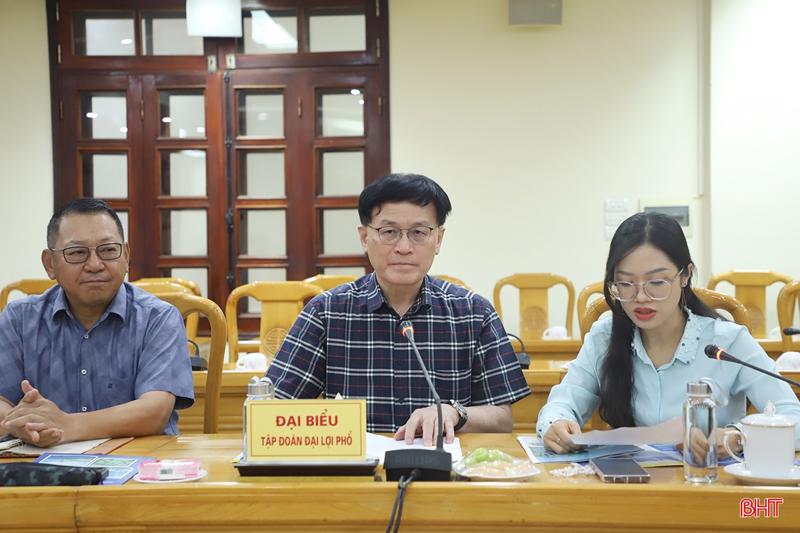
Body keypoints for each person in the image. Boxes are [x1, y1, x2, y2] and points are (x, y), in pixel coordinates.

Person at [267, 173, 530, 444]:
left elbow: (501, 419)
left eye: (419, 233)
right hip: (356, 479)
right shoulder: (325, 313)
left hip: (445, 476)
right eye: (389, 232)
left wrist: (455, 413)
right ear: (364, 237)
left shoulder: (474, 313)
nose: (404, 247)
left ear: (438, 239)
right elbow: (273, 408)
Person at [538, 212, 800, 455]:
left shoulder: (727, 342)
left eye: (656, 282)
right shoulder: (604, 337)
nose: (641, 297)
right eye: (626, 283)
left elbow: (793, 417)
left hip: (707, 487)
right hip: (628, 489)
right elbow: (563, 401)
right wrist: (557, 423)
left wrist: (738, 438)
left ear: (685, 275)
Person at [0, 198, 194, 446]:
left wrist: (66, 425)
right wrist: (26, 426)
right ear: (50, 264)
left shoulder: (158, 319)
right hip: (42, 469)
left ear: (126, 255)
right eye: (77, 253)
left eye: (108, 250)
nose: (94, 265)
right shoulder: (19, 319)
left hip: (139, 470)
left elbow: (154, 412)